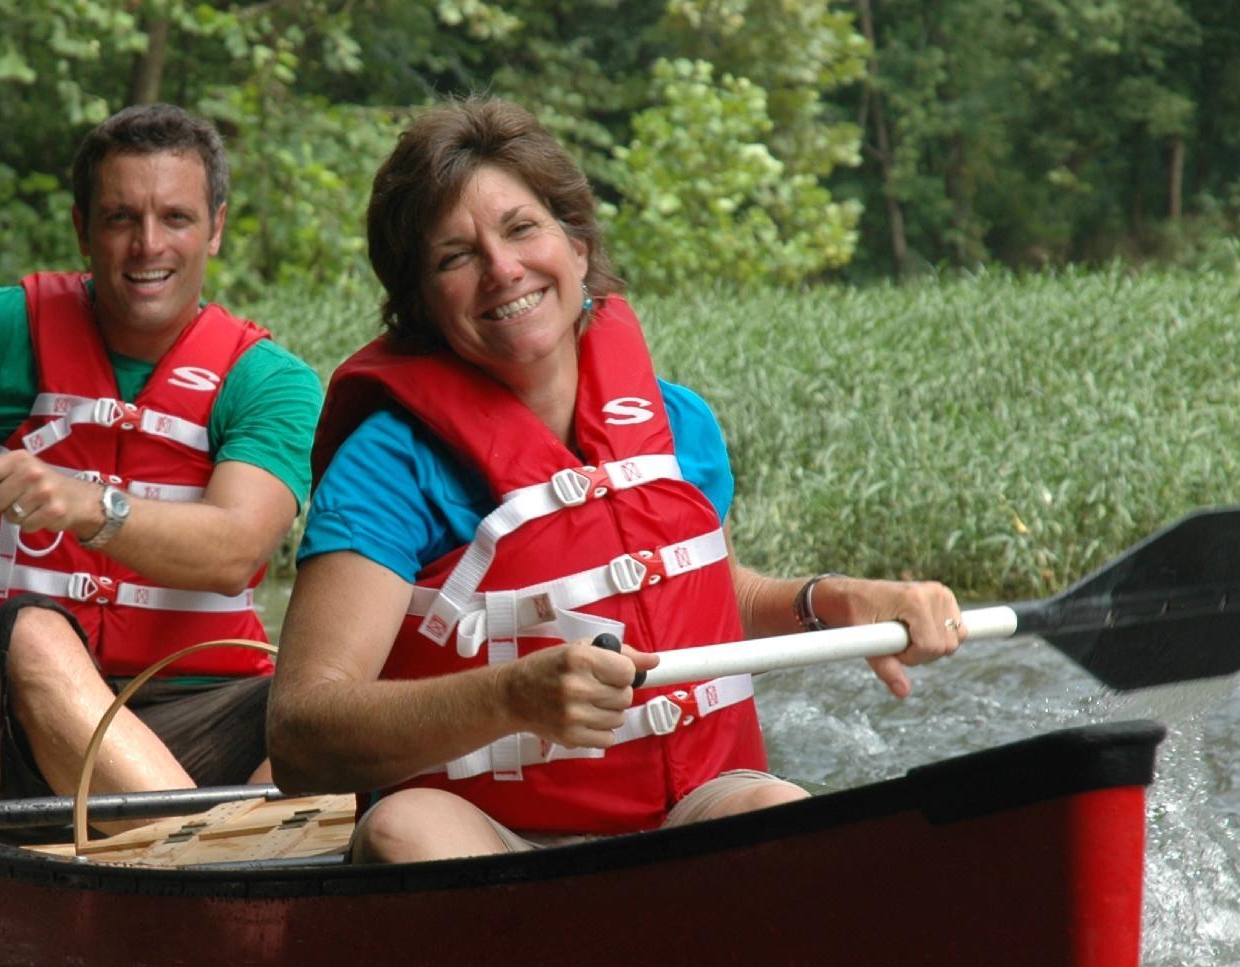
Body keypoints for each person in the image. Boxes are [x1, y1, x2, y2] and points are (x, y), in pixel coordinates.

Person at [266, 98, 963, 863]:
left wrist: (829, 601)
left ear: (577, 241)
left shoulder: (674, 421)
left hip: (690, 804)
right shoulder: (390, 463)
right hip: (486, 832)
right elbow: (303, 732)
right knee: (407, 831)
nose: (502, 269)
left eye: (522, 228)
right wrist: (508, 698)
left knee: (776, 808)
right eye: (453, 257)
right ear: (420, 305)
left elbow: (704, 598)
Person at [0, 104, 322, 808]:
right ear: (82, 230)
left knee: (343, 694)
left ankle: (206, 847)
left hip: (200, 706)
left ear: (215, 228)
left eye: (176, 219)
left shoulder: (269, 381)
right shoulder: (1, 326)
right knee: (30, 633)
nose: (147, 245)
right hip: (10, 720)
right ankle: (216, 863)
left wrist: (90, 506)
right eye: (121, 218)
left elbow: (232, 551)